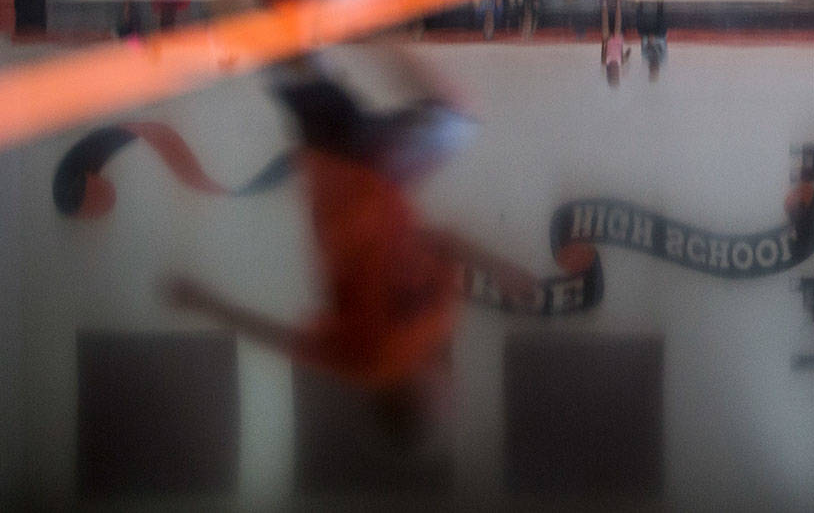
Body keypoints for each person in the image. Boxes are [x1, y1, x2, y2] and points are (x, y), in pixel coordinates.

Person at [162, 52, 536, 445]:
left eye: (443, 400)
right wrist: (499, 268)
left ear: (418, 402)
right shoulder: (433, 333)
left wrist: (205, 304)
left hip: (349, 178)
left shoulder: (370, 361)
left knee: (450, 118)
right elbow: (442, 243)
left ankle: (345, 28)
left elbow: (280, 338)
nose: (452, 389)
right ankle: (337, 28)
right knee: (449, 117)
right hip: (378, 176)